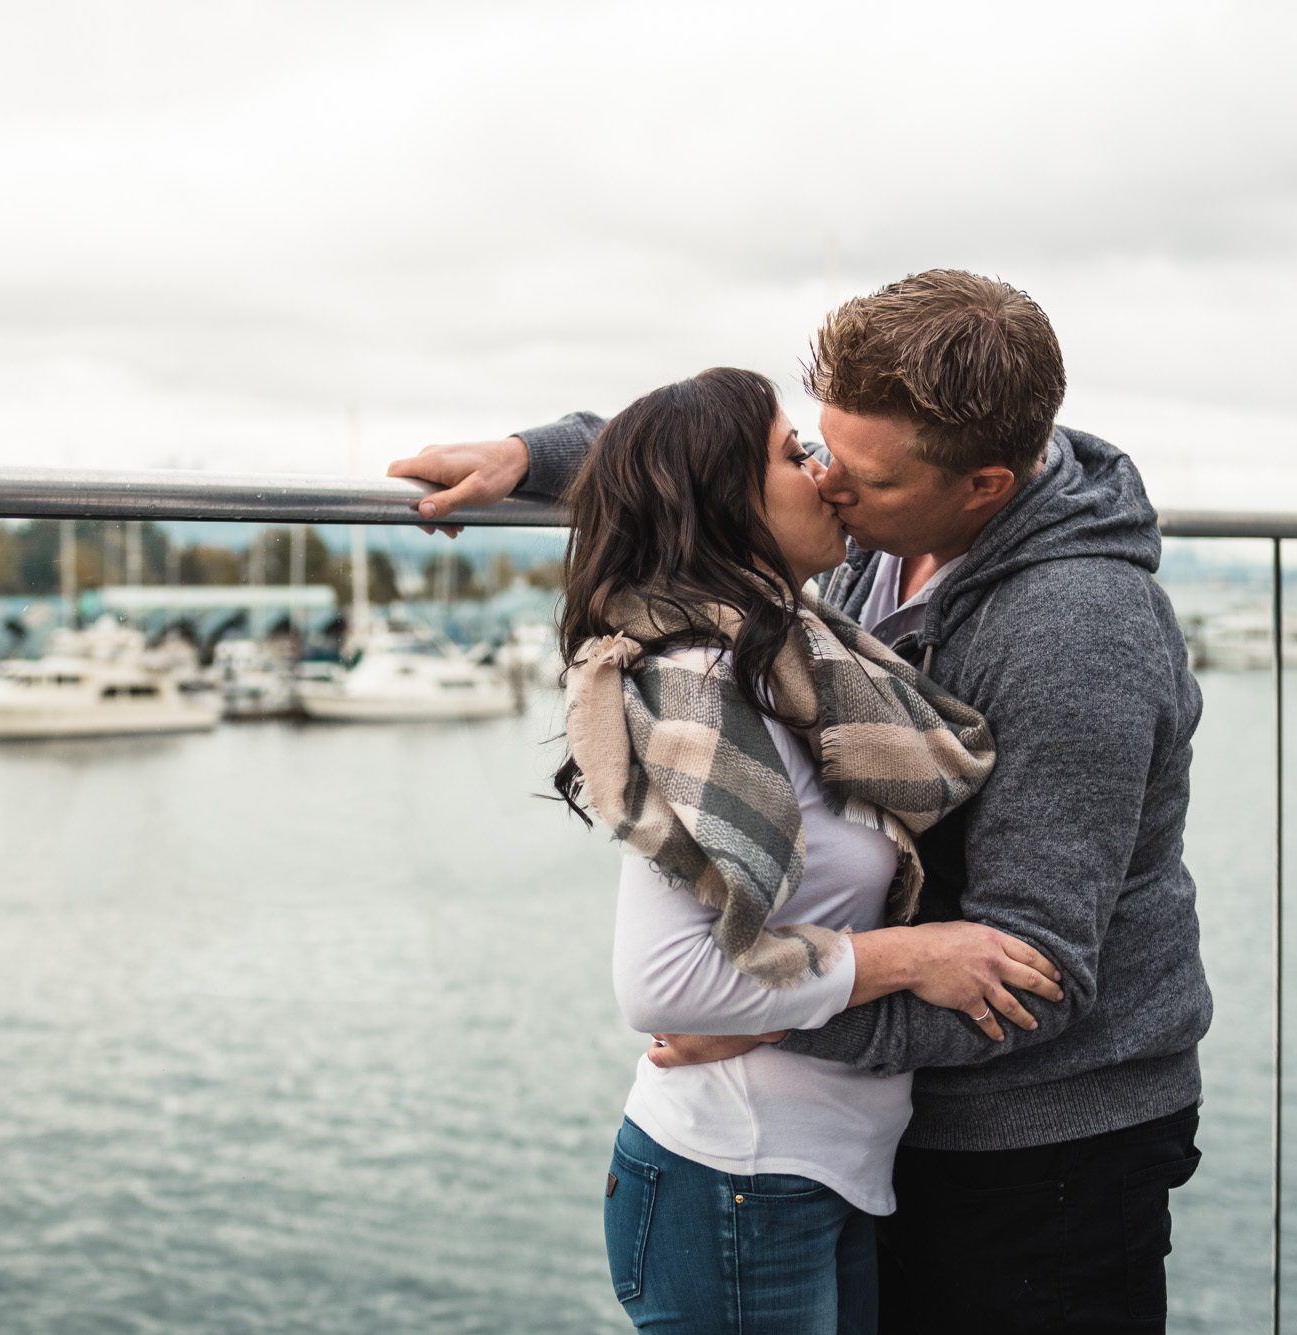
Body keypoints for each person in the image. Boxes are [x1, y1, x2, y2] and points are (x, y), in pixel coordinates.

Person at [391, 271, 1212, 1333]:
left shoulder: (1076, 633)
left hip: (1039, 1145)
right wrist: (535, 457)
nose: (826, 487)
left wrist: (768, 1028)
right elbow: (701, 467)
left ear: (982, 484)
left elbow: (1031, 977)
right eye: (813, 453)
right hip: (893, 1120)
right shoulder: (891, 526)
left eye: (855, 476)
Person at [556, 364, 1064, 1333]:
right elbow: (660, 985)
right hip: (736, 1178)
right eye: (795, 454)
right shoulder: (699, 690)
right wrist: (913, 956)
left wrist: (521, 457)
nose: (825, 473)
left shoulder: (800, 660)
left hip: (806, 1171)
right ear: (723, 504)